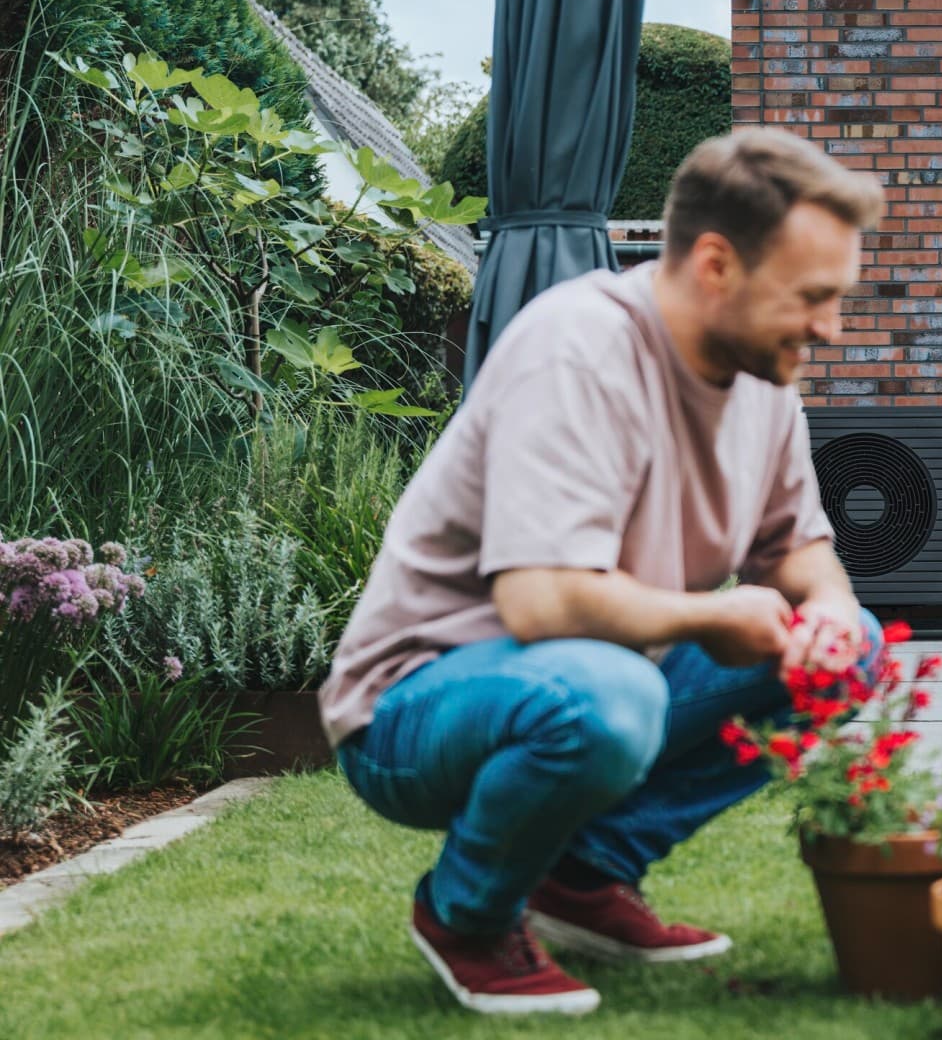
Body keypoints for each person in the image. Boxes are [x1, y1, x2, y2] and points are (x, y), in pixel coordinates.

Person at [317, 128, 885, 1016]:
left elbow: (798, 547)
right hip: (411, 711)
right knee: (612, 696)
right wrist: (711, 620)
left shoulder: (765, 380)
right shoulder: (578, 349)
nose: (830, 327)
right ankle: (465, 914)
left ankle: (583, 877)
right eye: (812, 296)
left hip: (600, 673)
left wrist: (833, 608)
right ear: (715, 264)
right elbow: (540, 601)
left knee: (849, 653)